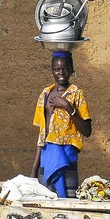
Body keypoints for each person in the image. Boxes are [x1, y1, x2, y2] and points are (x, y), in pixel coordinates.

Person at [31, 51, 93, 197]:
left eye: (65, 69)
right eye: (57, 69)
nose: (61, 73)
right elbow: (42, 135)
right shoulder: (45, 94)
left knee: (67, 203)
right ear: (52, 71)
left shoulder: (77, 94)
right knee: (45, 205)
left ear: (72, 70)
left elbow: (87, 131)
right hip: (46, 162)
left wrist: (67, 106)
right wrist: (34, 171)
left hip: (68, 161)